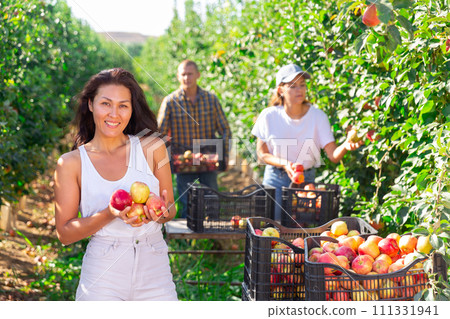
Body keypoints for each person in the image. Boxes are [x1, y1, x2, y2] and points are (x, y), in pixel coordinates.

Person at [54, 68, 178, 301]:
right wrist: (111, 213)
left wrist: (158, 212)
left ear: (132, 109)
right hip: (103, 270)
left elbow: (170, 208)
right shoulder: (71, 164)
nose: (114, 114)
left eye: (123, 105)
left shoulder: (153, 148)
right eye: (106, 104)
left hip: (154, 266)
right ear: (90, 104)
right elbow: (65, 233)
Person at [252, 64, 363, 221]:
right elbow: (262, 154)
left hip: (306, 182)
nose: (300, 90)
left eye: (302, 85)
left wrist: (346, 144)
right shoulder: (269, 116)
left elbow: (333, 156)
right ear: (280, 90)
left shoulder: (318, 116)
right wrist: (285, 163)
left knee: (300, 232)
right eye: (293, 86)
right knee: (272, 229)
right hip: (275, 179)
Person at [157, 60, 231, 218]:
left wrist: (224, 156)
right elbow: (160, 135)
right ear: (178, 76)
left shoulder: (211, 99)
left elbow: (225, 129)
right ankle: (187, 239)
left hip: (207, 159)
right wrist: (163, 162)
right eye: (183, 74)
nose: (186, 78)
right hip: (183, 160)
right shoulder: (171, 102)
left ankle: (212, 236)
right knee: (186, 202)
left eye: (190, 74)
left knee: (212, 200)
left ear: (198, 75)